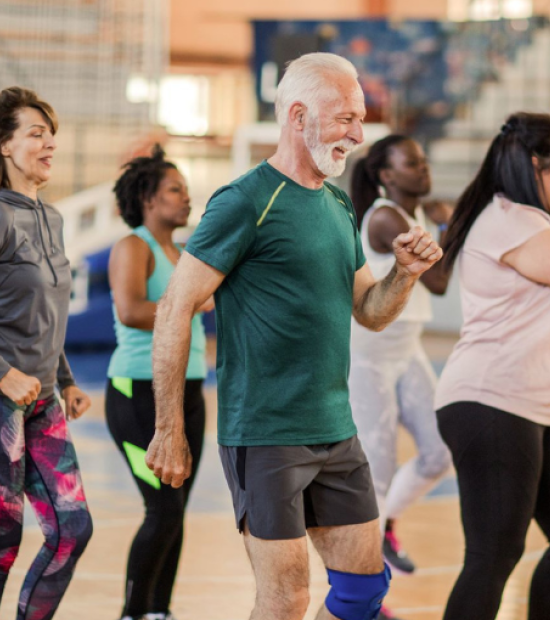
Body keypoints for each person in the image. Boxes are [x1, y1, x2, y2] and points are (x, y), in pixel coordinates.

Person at [145, 53, 443, 620]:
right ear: (299, 115)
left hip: (335, 428)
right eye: (346, 119)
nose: (358, 134)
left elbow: (370, 312)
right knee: (286, 602)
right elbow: (174, 308)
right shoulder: (244, 201)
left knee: (362, 592)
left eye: (361, 119)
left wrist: (404, 273)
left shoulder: (335, 203)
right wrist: (170, 429)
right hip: (265, 433)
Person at [435, 111, 550, 620]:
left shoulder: (533, 221)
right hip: (491, 402)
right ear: (538, 164)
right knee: (494, 554)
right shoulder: (508, 220)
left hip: (541, 405)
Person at [105, 145, 209, 620]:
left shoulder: (187, 253)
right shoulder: (134, 246)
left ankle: (157, 612)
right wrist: (187, 307)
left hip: (189, 394)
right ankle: (132, 612)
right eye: (174, 189)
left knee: (177, 510)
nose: (185, 198)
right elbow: (129, 310)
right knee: (162, 510)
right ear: (147, 197)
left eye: (186, 190)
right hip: (136, 395)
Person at [0, 86, 93, 619]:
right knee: (2, 539)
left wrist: (66, 379)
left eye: (51, 133)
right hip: (2, 400)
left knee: (71, 529)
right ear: (4, 147)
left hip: (42, 402)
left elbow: (46, 313)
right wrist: (3, 375)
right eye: (35, 133)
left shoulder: (51, 218)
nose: (49, 142)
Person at [349, 135, 453, 582]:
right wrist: (449, 225)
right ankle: (368, 596)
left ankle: (387, 524)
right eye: (412, 162)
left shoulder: (409, 214)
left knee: (440, 451)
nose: (424, 168)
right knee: (378, 471)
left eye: (424, 158)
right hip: (370, 352)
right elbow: (440, 281)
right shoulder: (387, 217)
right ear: (387, 175)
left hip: (406, 347)